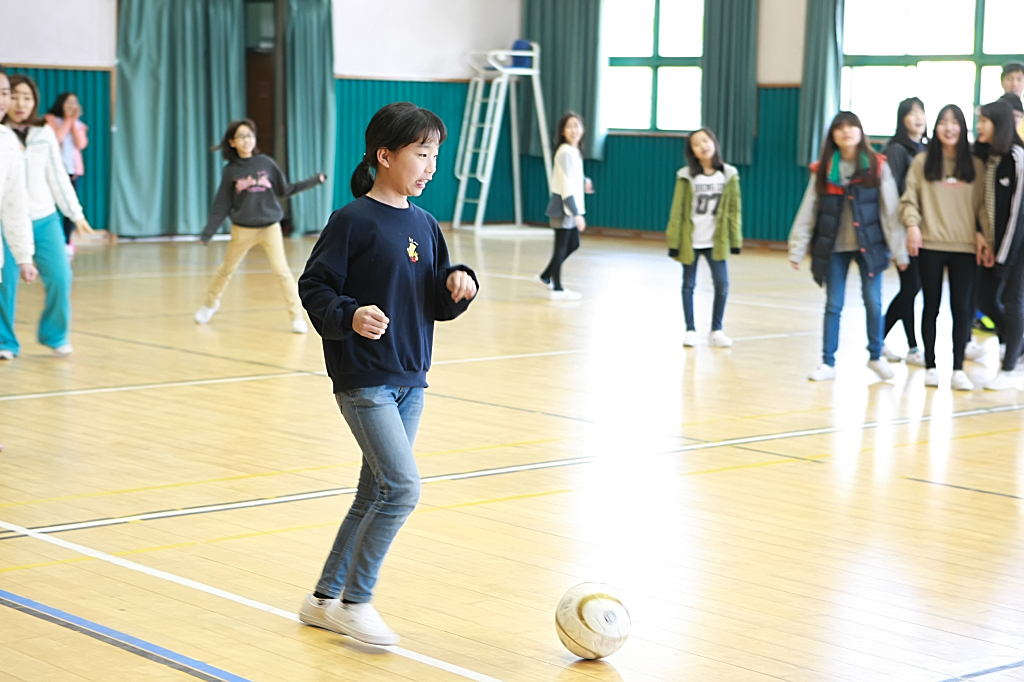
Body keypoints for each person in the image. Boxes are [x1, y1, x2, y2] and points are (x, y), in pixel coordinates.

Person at [296, 102, 478, 646]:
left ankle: (323, 598)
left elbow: (434, 298)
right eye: (422, 154)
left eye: (435, 156)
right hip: (364, 379)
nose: (430, 166)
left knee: (373, 492)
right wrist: (349, 314)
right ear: (385, 155)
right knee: (401, 490)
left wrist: (458, 284)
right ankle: (357, 601)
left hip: (410, 379)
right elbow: (315, 287)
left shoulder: (425, 224)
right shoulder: (351, 221)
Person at [788, 111, 907, 382]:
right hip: (834, 247)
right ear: (833, 135)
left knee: (874, 303)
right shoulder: (823, 169)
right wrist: (797, 248)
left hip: (871, 245)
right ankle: (827, 362)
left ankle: (876, 356)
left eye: (852, 126)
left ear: (860, 131)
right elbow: (809, 209)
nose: (846, 131)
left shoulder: (877, 165)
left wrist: (900, 251)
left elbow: (890, 210)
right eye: (839, 127)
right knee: (834, 304)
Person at [194, 118, 325, 333]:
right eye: (241, 137)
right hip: (242, 229)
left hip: (269, 227)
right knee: (226, 270)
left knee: (282, 272)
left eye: (250, 136)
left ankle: (296, 317)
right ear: (232, 142)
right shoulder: (230, 171)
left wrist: (314, 180)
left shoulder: (266, 163)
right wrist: (208, 232)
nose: (246, 140)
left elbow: (285, 190)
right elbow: (222, 204)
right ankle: (210, 304)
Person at [0, 74, 91, 358]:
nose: (19, 103)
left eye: (27, 98)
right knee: (6, 283)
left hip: (44, 218)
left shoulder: (43, 134)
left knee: (61, 277)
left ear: (35, 102)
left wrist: (75, 214)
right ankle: (5, 342)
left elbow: (58, 177)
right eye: (13, 95)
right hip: (8, 221)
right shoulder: (4, 136)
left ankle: (54, 334)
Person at [899, 104, 987, 391]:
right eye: (943, 122)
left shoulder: (975, 164)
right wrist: (912, 225)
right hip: (930, 244)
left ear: (963, 128)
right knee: (931, 306)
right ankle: (930, 365)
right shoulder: (922, 162)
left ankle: (959, 367)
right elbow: (908, 200)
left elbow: (984, 207)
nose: (949, 128)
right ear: (935, 128)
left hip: (965, 247)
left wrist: (984, 235)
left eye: (955, 122)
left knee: (962, 308)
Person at [665, 127, 742, 348]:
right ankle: (690, 329)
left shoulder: (728, 175)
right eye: (696, 144)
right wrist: (674, 241)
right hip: (691, 239)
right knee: (688, 284)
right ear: (692, 152)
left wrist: (735, 240)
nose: (703, 146)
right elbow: (677, 210)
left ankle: (716, 330)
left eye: (705, 141)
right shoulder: (686, 176)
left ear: (714, 142)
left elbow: (735, 210)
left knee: (722, 283)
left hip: (715, 240)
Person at [973, 100, 1024, 390]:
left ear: (1000, 124)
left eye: (985, 121)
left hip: (1017, 248)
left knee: (1012, 302)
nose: (979, 126)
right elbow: (984, 206)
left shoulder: (1017, 157)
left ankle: (1008, 370)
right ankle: (1017, 344)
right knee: (984, 299)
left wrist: (1002, 255)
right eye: (979, 120)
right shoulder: (987, 157)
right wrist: (983, 238)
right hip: (995, 246)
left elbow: (1017, 214)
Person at [881, 98, 928, 365]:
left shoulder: (925, 148)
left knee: (911, 288)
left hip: (921, 228)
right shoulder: (897, 150)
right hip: (904, 230)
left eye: (921, 112)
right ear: (902, 119)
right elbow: (893, 194)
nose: (918, 118)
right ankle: (879, 341)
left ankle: (910, 347)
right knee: (911, 286)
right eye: (911, 114)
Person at [0, 67, 38, 364]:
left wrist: (24, 255)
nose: (3, 101)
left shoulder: (8, 143)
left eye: (4, 94)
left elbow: (14, 204)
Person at [540, 111, 591, 301]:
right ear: (562, 131)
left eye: (577, 126)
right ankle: (557, 287)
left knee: (573, 243)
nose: (574, 130)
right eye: (569, 127)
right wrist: (576, 213)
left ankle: (546, 275)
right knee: (561, 247)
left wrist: (585, 180)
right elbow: (566, 185)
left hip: (570, 206)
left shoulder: (573, 151)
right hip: (564, 208)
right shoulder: (565, 152)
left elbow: (572, 177)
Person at [44, 92, 88, 248]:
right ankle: (51, 240)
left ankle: (67, 241)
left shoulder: (80, 125)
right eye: (68, 102)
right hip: (53, 171)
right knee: (50, 205)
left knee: (71, 206)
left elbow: (80, 144)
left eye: (74, 102)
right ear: (61, 103)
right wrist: (68, 121)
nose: (71, 106)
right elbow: (56, 139)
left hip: (72, 171)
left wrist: (73, 121)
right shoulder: (51, 120)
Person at [1000, 61, 1024, 140]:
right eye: (1010, 79)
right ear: (1002, 82)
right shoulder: (994, 110)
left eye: (1019, 79)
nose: (1015, 84)